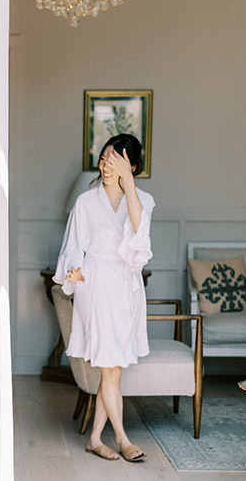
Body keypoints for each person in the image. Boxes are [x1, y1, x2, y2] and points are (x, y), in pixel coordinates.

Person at [53, 133, 155, 462]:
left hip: (126, 289)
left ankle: (95, 438)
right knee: (110, 368)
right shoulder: (86, 202)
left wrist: (128, 186)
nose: (106, 164)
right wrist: (73, 271)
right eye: (104, 158)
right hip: (95, 286)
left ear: (132, 165)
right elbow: (72, 248)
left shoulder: (144, 201)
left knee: (113, 369)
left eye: (116, 159)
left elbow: (139, 240)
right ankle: (124, 439)